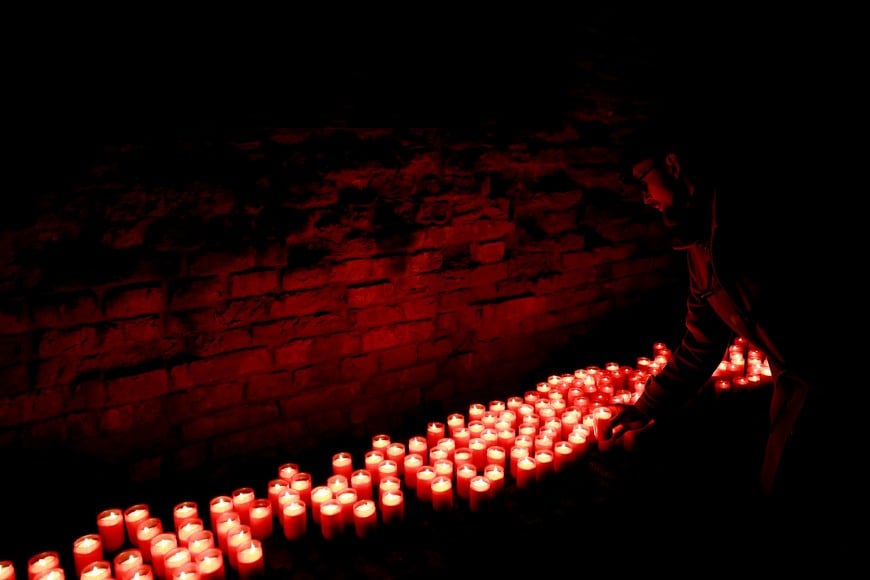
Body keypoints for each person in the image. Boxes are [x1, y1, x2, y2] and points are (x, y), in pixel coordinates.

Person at [607, 104, 855, 561]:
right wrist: (648, 405)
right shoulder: (696, 248)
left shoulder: (761, 211)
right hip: (795, 385)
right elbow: (701, 342)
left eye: (645, 183)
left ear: (674, 166)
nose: (646, 199)